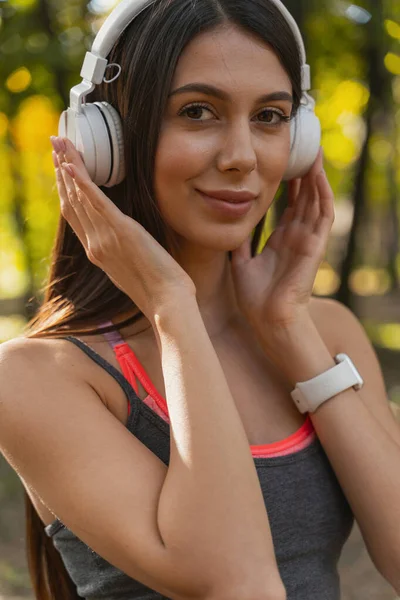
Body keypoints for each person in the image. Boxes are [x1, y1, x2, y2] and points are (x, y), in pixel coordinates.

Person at [1, 0, 400, 599]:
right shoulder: (36, 377)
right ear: (107, 138)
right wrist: (171, 306)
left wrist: (290, 331)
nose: (242, 156)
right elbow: (239, 585)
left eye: (270, 116)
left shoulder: (326, 332)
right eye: (198, 112)